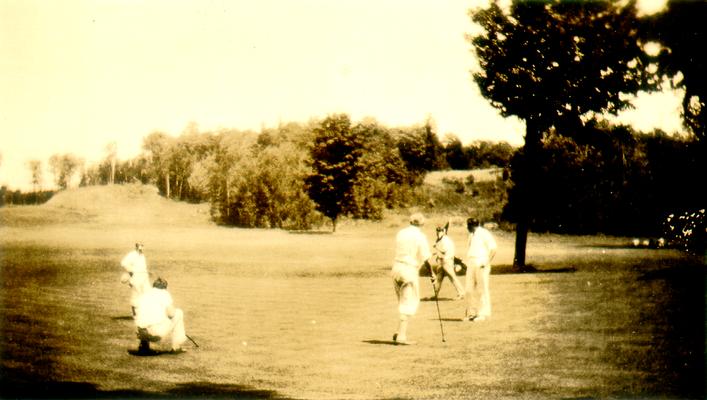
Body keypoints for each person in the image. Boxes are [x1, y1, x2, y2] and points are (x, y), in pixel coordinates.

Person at [391, 213, 433, 344]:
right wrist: (432, 273)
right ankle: (401, 337)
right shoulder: (420, 236)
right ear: (422, 224)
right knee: (408, 303)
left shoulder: (401, 233)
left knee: (402, 301)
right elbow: (426, 258)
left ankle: (399, 331)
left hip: (396, 268)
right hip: (408, 270)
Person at [134, 277, 187, 353]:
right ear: (165, 287)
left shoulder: (145, 294)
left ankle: (144, 346)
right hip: (155, 333)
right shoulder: (164, 293)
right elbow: (171, 314)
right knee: (178, 312)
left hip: (140, 332)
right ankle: (176, 347)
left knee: (145, 318)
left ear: (154, 286)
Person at [463, 218, 497, 322]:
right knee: (468, 289)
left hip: (481, 262)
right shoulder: (471, 235)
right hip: (471, 262)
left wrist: (486, 262)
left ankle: (482, 314)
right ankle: (472, 313)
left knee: (482, 289)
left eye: (468, 226)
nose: (467, 228)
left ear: (472, 225)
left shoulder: (484, 233)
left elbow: (493, 248)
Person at [432, 222, 465, 300]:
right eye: (437, 231)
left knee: (452, 277)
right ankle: (435, 295)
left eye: (440, 231)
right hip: (443, 261)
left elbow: (443, 251)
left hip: (447, 261)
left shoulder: (445, 240)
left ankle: (461, 293)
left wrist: (436, 247)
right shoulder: (442, 239)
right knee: (439, 278)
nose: (438, 232)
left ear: (444, 231)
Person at [120, 243, 151, 316]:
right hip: (136, 278)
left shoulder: (142, 255)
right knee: (136, 294)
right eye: (139, 247)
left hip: (144, 277)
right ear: (136, 247)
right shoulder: (132, 254)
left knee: (147, 293)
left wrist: (146, 272)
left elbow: (142, 267)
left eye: (142, 246)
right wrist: (131, 272)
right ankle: (135, 314)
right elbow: (123, 263)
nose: (141, 248)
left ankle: (144, 312)